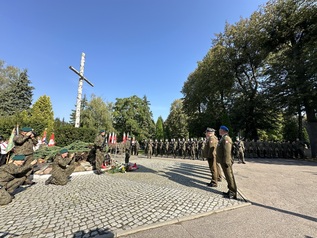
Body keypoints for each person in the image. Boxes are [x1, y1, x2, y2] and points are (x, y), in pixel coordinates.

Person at [216, 125, 238, 199]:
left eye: (220, 129)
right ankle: (230, 190)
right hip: (223, 160)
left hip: (226, 161)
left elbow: (227, 151)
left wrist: (226, 161)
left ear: (223, 130)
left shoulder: (226, 138)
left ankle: (233, 192)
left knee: (229, 176)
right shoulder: (223, 138)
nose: (219, 131)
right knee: (228, 176)